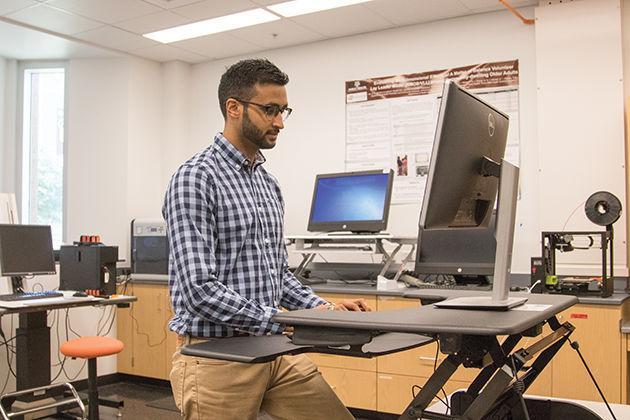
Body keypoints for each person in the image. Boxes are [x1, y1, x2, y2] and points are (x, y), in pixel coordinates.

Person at [163, 58, 371, 420]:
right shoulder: (195, 178)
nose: (279, 122)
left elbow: (278, 274)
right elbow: (198, 290)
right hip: (216, 357)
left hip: (274, 351)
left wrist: (322, 311)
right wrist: (285, 320)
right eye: (270, 110)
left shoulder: (267, 184)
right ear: (233, 108)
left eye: (283, 110)